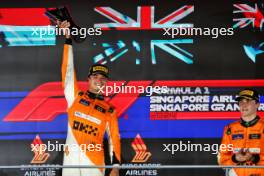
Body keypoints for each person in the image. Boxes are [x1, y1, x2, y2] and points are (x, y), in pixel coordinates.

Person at [59, 21, 121, 176]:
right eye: (95, 76)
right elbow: (67, 71)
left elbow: (114, 139)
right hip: (71, 160)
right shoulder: (75, 96)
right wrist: (68, 40)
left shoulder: (110, 110)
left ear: (107, 82)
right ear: (88, 79)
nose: (99, 80)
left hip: (93, 162)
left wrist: (116, 167)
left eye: (103, 78)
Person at [218, 88, 264, 176]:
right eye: (241, 102)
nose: (244, 105)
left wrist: (255, 158)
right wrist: (235, 158)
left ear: (257, 104)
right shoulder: (230, 128)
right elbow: (222, 159)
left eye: (248, 101)